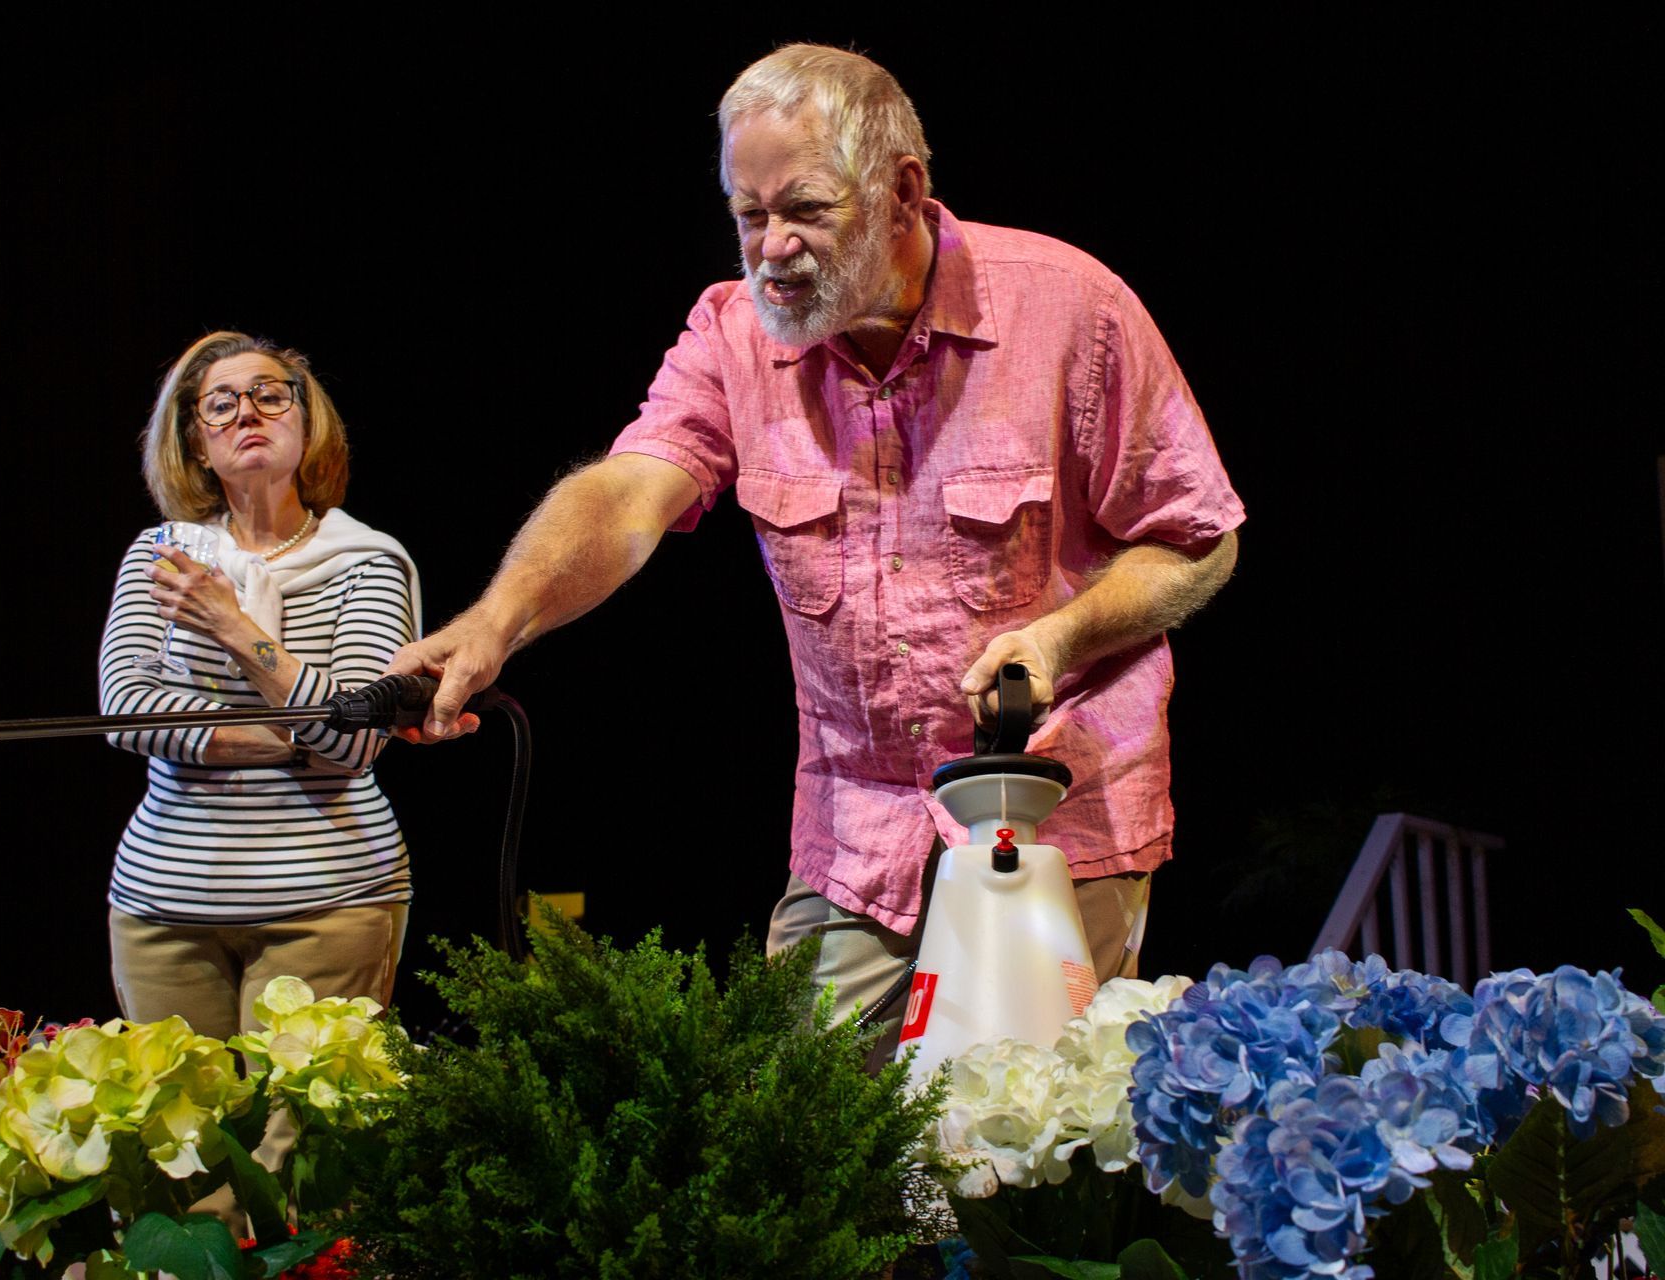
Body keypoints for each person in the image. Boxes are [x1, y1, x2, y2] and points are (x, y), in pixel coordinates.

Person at [386, 45, 1244, 1030]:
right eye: (750, 216)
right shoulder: (733, 335)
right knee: (799, 1136)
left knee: (1029, 1145)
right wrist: (500, 620)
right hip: (855, 835)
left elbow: (1197, 539)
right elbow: (627, 492)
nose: (772, 248)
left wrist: (1057, 639)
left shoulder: (1071, 309)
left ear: (903, 191)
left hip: (1056, 811)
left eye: (805, 209)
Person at [99, 330, 430, 1042]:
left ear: (307, 425)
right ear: (195, 444)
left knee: (298, 1143)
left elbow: (355, 742)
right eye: (220, 405)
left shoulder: (368, 562)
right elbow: (127, 711)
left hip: (331, 901)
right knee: (182, 1140)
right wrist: (289, 738)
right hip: (164, 905)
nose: (246, 413)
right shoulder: (160, 557)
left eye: (269, 396)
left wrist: (232, 627)